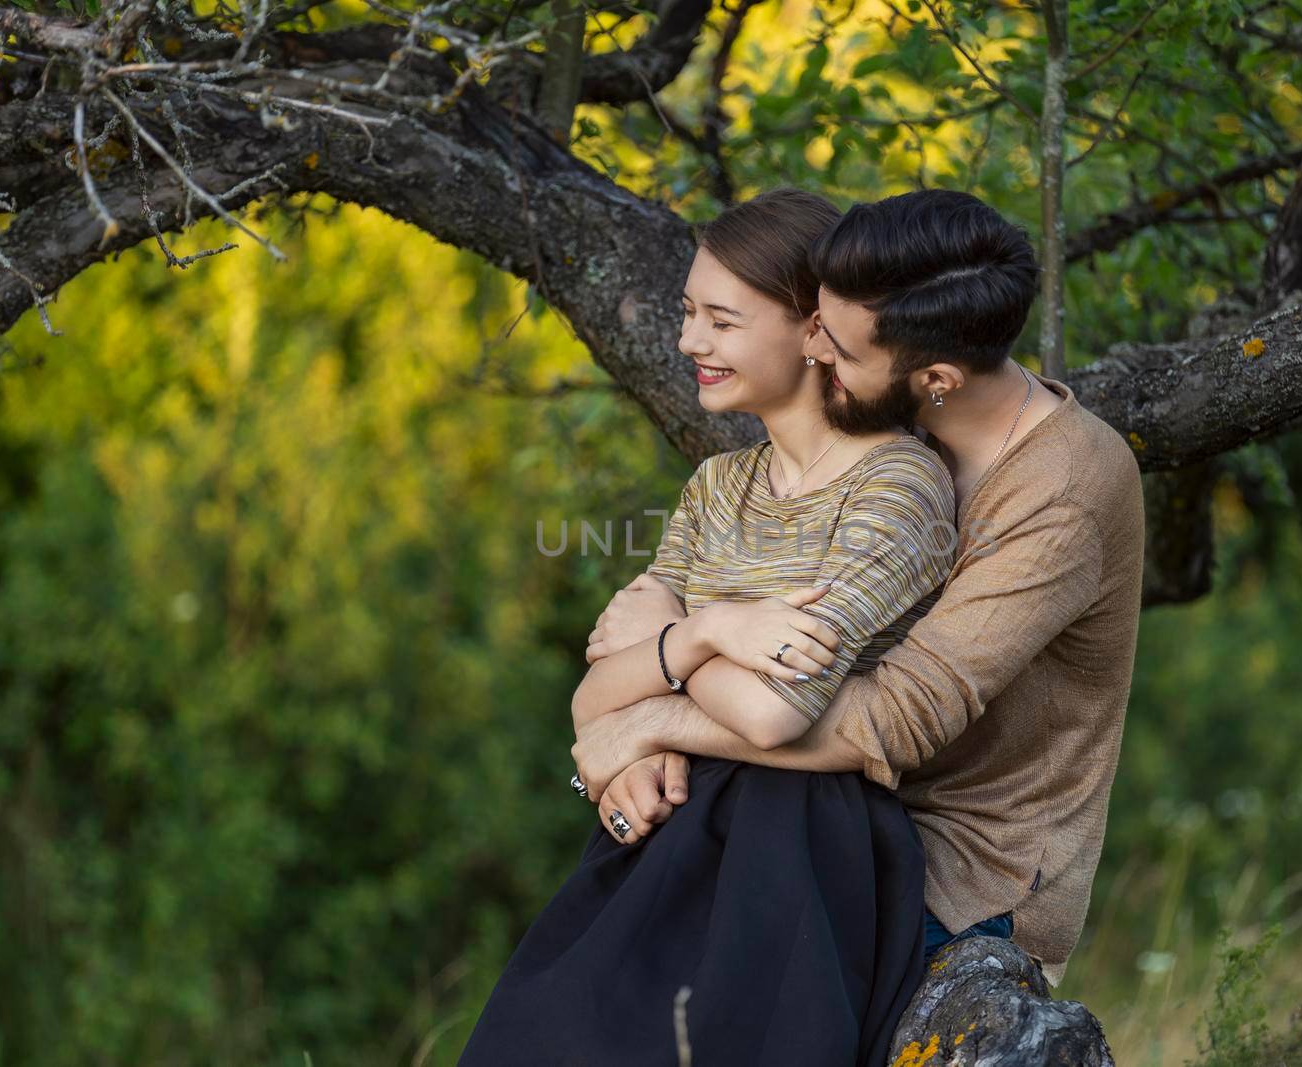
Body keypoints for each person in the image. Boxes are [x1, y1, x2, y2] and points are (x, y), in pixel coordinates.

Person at [575, 188, 1146, 987]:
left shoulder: (1061, 488)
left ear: (937, 377)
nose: (815, 356)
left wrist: (653, 700)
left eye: (838, 350)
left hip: (962, 876)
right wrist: (626, 740)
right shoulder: (899, 429)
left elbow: (888, 720)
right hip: (816, 821)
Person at [456, 188, 957, 1067]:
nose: (689, 342)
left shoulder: (898, 486)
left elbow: (775, 714)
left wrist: (665, 648)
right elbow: (591, 703)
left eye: (720, 320)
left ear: (814, 330)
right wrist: (703, 633)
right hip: (668, 824)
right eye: (689, 314)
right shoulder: (718, 486)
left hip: (796, 843)